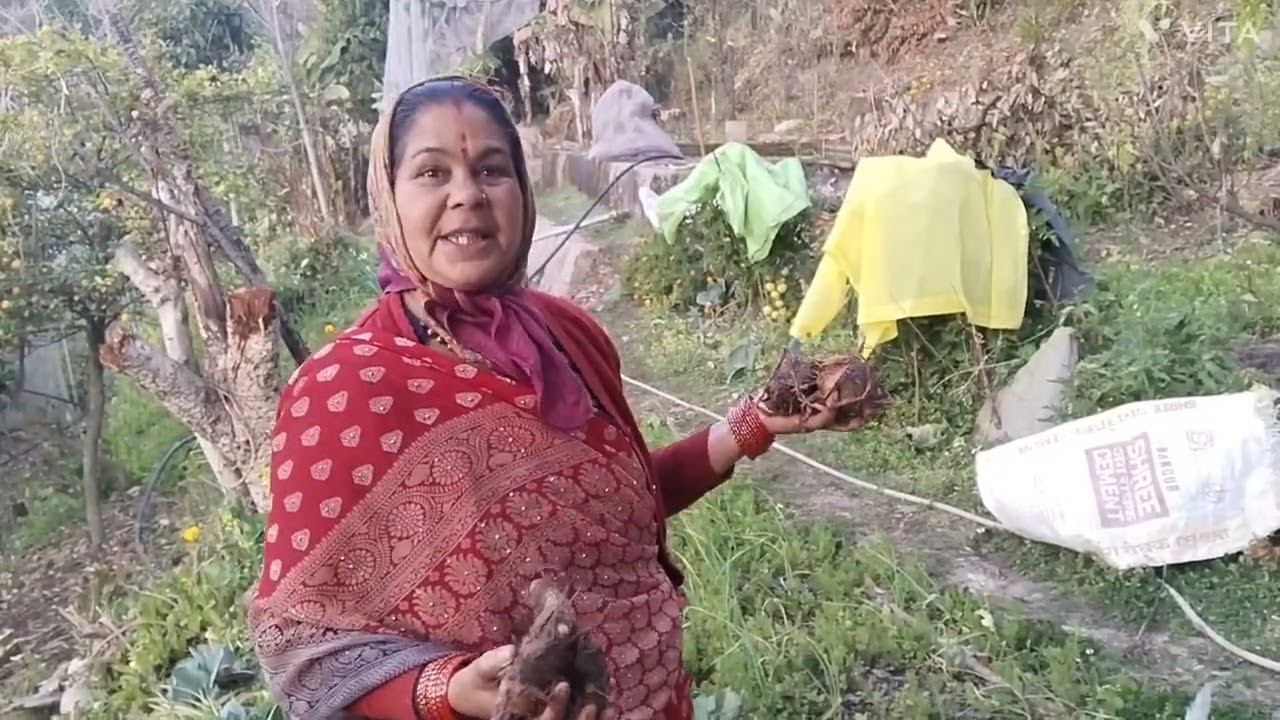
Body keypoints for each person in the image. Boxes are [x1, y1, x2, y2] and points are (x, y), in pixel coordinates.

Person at [248, 76, 842, 720]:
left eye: (491, 170)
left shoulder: (568, 335)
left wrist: (756, 422)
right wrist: (443, 691)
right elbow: (305, 645)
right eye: (431, 173)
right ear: (388, 197)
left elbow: (621, 513)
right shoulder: (344, 390)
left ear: (523, 192)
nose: (467, 195)